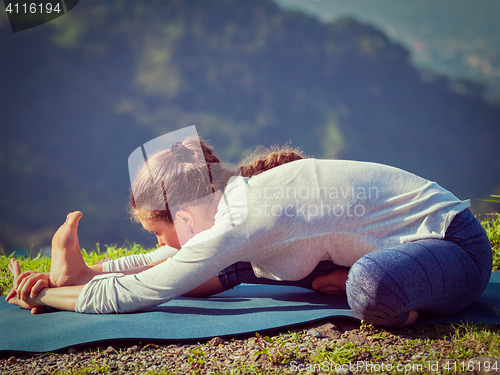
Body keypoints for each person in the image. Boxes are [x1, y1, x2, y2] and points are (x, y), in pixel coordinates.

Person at [7, 136, 492, 327]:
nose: (157, 244)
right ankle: (82, 272)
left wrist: (50, 299)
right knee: (245, 264)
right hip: (405, 245)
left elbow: (149, 289)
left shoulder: (244, 218)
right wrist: (85, 275)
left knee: (369, 287)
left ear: (187, 215)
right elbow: (174, 262)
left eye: (159, 232)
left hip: (455, 247)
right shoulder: (238, 199)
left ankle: (400, 303)